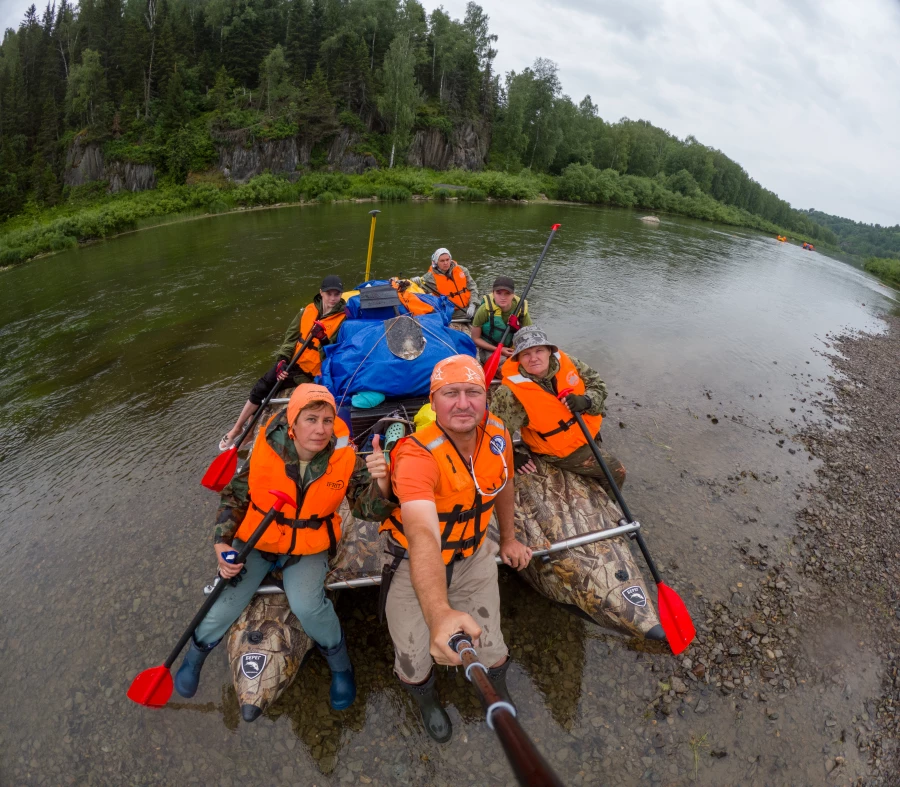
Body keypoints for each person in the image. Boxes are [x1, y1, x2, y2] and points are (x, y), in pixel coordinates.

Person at [349, 355, 532, 743]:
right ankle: (426, 699)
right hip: (413, 559)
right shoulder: (416, 455)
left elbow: (505, 484)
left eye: (473, 393)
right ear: (433, 402)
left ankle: (494, 689)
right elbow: (422, 534)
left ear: (486, 399)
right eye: (451, 394)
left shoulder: (497, 435)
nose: (463, 403)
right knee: (413, 655)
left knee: (492, 645)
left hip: (473, 552)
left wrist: (511, 538)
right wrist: (439, 612)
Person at [175, 384, 358, 717]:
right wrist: (221, 544)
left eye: (328, 420)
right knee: (224, 601)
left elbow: (370, 508)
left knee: (309, 606)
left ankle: (341, 667)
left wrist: (384, 484)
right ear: (293, 422)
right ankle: (195, 656)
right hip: (259, 540)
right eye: (311, 419)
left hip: (308, 545)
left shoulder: (345, 454)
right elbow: (234, 496)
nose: (320, 429)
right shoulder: (265, 447)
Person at [489, 326, 626, 498]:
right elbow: (493, 432)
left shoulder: (567, 361)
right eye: (526, 354)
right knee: (616, 471)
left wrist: (586, 401)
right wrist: (511, 457)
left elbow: (598, 385)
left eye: (539, 350)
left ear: (549, 351)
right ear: (518, 359)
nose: (533, 358)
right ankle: (613, 509)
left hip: (586, 430)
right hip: (557, 449)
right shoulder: (509, 394)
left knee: (601, 465)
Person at [218, 275, 346, 451]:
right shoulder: (307, 311)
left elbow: (334, 354)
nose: (333, 298)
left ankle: (250, 434)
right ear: (321, 293)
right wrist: (282, 362)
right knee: (261, 387)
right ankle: (237, 429)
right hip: (293, 363)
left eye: (337, 294)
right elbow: (290, 339)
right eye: (329, 293)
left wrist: (323, 339)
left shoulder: (342, 320)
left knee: (280, 394)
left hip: (311, 373)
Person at [470, 276, 532, 366]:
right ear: (493, 293)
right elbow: (475, 338)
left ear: (513, 294)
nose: (503, 297)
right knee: (505, 367)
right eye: (499, 293)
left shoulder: (521, 310)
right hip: (490, 348)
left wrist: (519, 328)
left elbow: (530, 335)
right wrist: (498, 350)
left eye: (507, 293)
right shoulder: (484, 309)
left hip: (514, 348)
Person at [412, 248, 480, 326]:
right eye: (442, 261)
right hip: (450, 312)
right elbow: (417, 291)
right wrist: (415, 282)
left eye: (447, 260)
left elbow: (473, 287)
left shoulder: (462, 270)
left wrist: (473, 304)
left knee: (485, 313)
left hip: (469, 308)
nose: (446, 263)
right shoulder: (429, 277)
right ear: (436, 262)